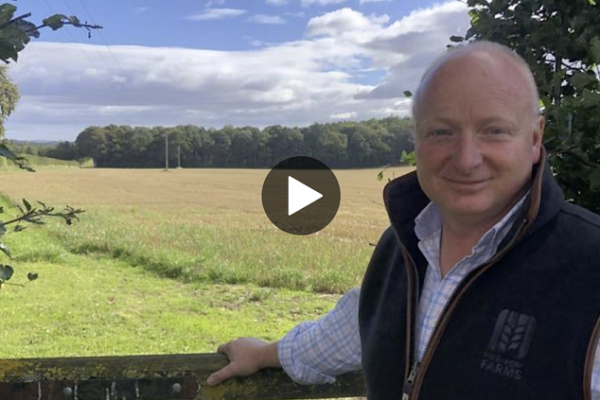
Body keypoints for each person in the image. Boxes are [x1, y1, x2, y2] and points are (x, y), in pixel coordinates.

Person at [206, 41, 600, 399]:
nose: (466, 159)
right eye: (442, 132)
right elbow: (360, 328)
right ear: (416, 140)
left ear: (534, 138)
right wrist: (264, 353)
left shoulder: (590, 269)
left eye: (493, 131)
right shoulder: (403, 246)